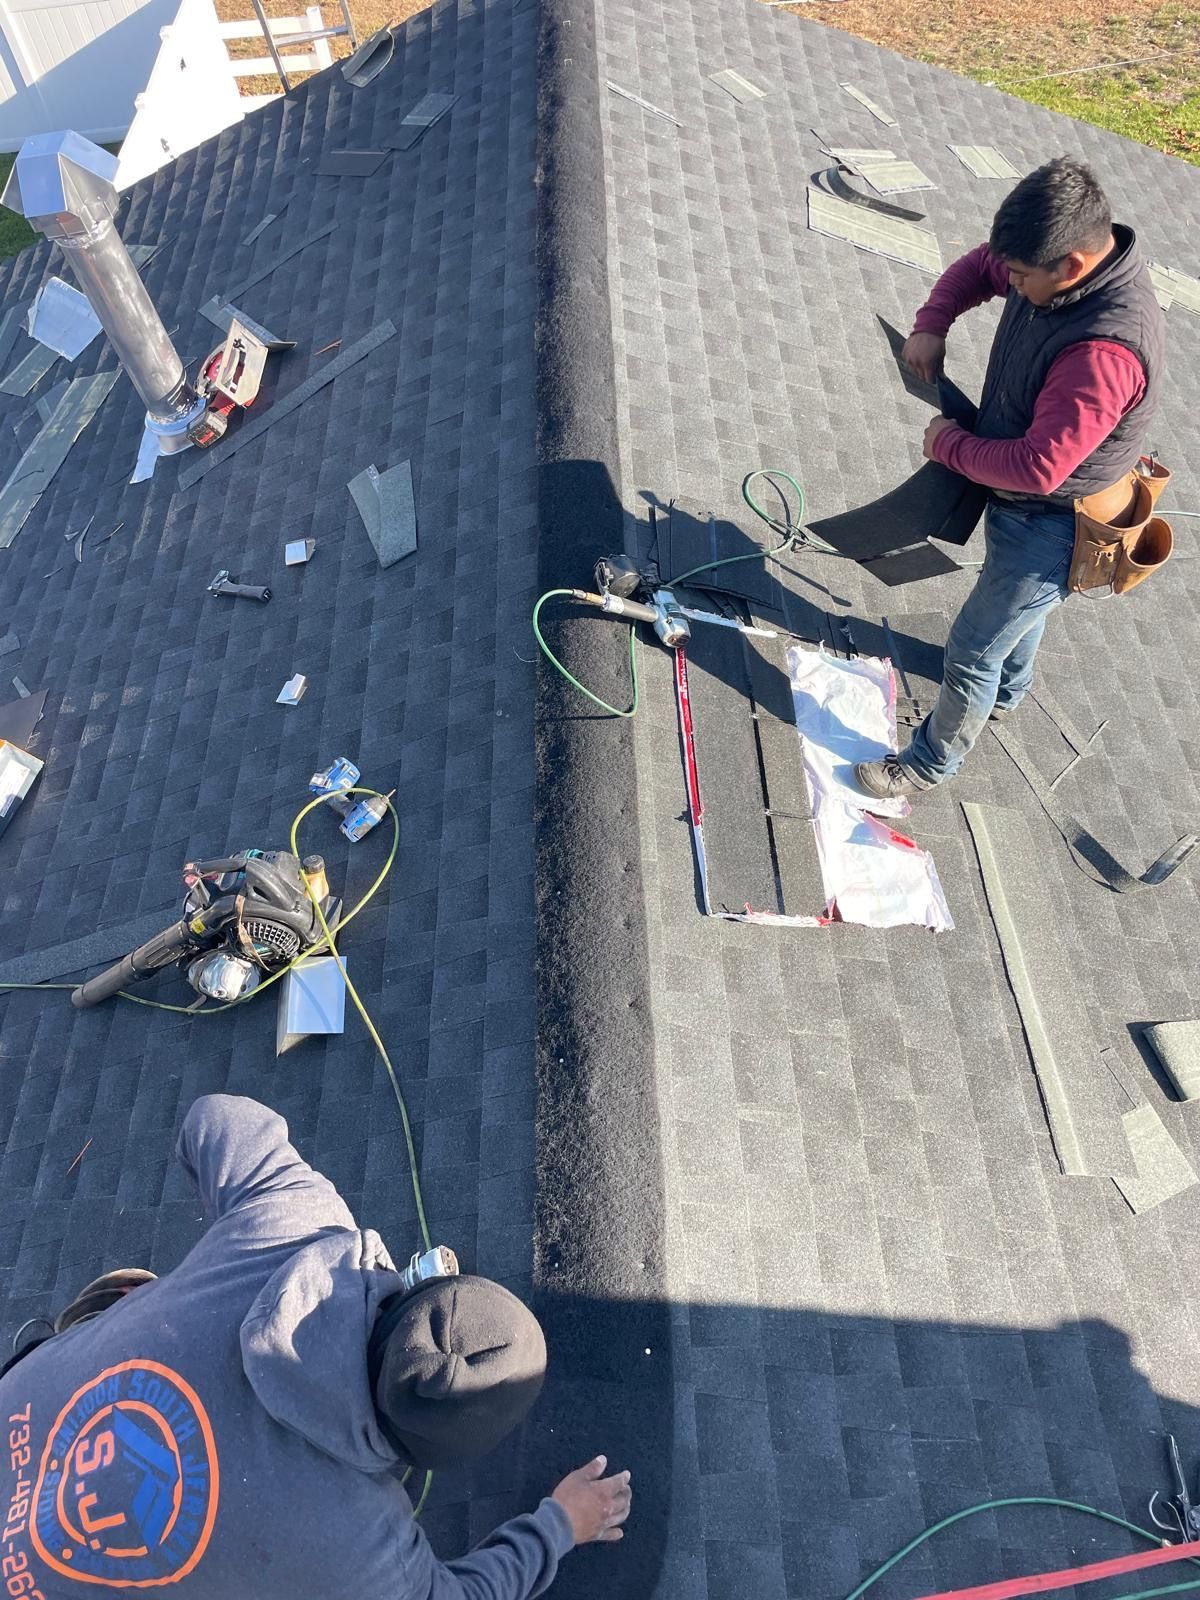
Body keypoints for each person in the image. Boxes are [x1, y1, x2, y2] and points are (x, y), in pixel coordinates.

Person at [0, 1094, 631, 1598]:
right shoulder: (363, 1555)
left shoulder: (300, 1223)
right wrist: (560, 1526)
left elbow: (211, 1119)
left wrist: (243, 1258)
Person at [855, 156, 1165, 800]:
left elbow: (1039, 466)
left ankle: (925, 766)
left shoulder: (1103, 354)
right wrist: (931, 321)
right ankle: (1009, 693)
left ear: (1071, 267)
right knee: (1017, 611)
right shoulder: (1056, 261)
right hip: (1024, 508)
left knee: (972, 648)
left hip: (1056, 523)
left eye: (1022, 279)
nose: (1012, 285)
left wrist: (950, 445)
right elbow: (980, 265)